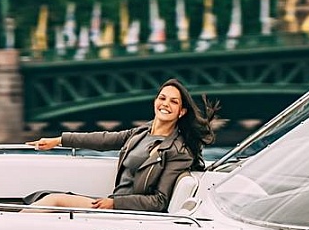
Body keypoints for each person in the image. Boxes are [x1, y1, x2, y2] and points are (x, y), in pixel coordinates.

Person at [22, 78, 217, 213]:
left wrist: (114, 204)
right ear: (155, 101)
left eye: (174, 102)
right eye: (162, 98)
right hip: (113, 204)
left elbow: (159, 201)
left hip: (126, 213)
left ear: (181, 112)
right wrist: (59, 140)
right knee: (42, 197)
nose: (165, 104)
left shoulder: (178, 151)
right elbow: (104, 139)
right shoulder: (142, 132)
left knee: (54, 200)